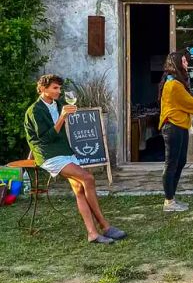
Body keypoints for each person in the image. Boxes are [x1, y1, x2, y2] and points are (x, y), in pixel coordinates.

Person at [24, 74, 126, 244]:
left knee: (79, 189)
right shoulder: (35, 110)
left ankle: (92, 234)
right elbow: (45, 139)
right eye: (55, 88)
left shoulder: (57, 104)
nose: (59, 91)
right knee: (88, 178)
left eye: (59, 88)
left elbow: (60, 129)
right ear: (43, 89)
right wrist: (63, 117)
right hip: (49, 154)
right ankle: (105, 226)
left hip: (64, 150)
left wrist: (66, 115)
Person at [158, 51, 193, 212]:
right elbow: (190, 103)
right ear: (178, 64)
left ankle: (172, 197)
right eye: (184, 61)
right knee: (171, 163)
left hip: (180, 126)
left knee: (180, 162)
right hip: (172, 127)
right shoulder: (173, 85)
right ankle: (169, 201)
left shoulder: (176, 82)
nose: (187, 64)